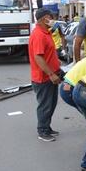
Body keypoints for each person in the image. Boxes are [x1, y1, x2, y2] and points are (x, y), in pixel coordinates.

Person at [28, 8, 61, 142]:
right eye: (49, 17)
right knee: (45, 105)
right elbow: (38, 58)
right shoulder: (39, 35)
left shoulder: (45, 33)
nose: (52, 19)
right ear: (42, 19)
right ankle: (42, 131)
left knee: (51, 104)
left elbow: (48, 54)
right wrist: (51, 74)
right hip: (43, 78)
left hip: (50, 75)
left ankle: (47, 127)